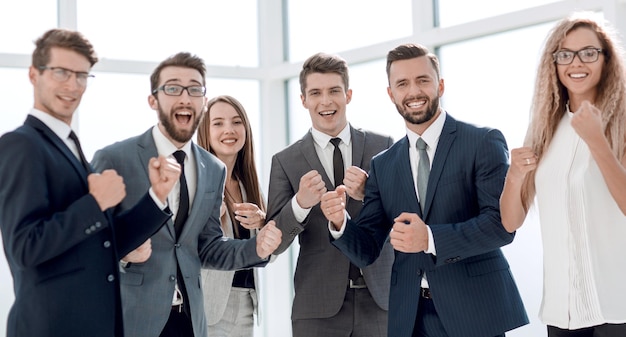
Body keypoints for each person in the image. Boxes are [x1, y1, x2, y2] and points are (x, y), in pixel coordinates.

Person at [320, 43, 529, 337]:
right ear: (391, 93)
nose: (413, 92)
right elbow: (367, 249)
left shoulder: (482, 142)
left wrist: (430, 238)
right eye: (402, 84)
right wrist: (340, 222)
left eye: (423, 80)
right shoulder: (383, 165)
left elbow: (500, 226)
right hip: (411, 318)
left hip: (474, 312)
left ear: (440, 85)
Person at [0, 28, 179, 337]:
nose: (72, 85)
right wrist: (95, 203)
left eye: (82, 76)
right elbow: (25, 248)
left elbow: (102, 245)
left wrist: (156, 196)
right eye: (61, 72)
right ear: (34, 74)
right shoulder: (21, 145)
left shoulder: (69, 145)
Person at [91, 52, 282, 337]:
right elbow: (87, 245)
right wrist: (123, 253)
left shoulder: (213, 168)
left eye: (195, 89)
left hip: (190, 322)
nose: (185, 97)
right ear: (153, 100)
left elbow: (207, 247)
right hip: (132, 321)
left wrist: (258, 249)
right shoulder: (116, 159)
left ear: (203, 102)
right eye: (172, 88)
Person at [500, 12, 626, 337]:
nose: (576, 63)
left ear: (606, 59)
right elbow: (511, 221)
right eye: (565, 54)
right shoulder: (544, 129)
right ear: (553, 64)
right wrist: (514, 176)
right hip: (562, 310)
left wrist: (597, 141)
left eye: (588, 52)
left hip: (616, 304)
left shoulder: (621, 123)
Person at [266, 52, 395, 337]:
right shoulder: (285, 161)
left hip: (382, 303)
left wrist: (369, 192)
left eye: (334, 91)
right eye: (315, 93)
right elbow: (273, 243)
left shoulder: (383, 145)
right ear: (303, 100)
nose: (326, 101)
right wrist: (299, 204)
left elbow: (404, 214)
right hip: (317, 310)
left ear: (348, 94)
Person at [196, 95, 266, 336]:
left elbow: (269, 255)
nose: (229, 129)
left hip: (246, 303)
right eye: (218, 123)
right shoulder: (197, 182)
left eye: (237, 122)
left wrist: (263, 223)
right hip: (209, 306)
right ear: (205, 131)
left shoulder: (250, 186)